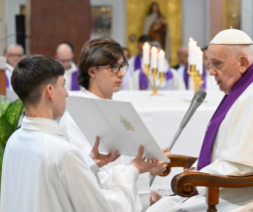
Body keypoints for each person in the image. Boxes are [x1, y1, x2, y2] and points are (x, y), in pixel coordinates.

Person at [146, 29, 253, 212]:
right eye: (210, 64)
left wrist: (200, 177)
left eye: (217, 64)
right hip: (238, 186)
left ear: (242, 63)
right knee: (159, 206)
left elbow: (246, 165)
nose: (211, 72)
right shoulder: (250, 86)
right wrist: (199, 173)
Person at [1, 55, 159, 212]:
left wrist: (89, 164)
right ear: (50, 91)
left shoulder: (14, 140)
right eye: (62, 85)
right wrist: (133, 169)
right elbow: (105, 208)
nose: (67, 93)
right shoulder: (63, 152)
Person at [59, 38, 171, 211]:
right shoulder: (76, 115)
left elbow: (126, 166)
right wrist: (139, 172)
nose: (121, 74)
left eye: (121, 66)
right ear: (92, 71)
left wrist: (148, 170)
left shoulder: (116, 110)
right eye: (113, 67)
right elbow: (87, 176)